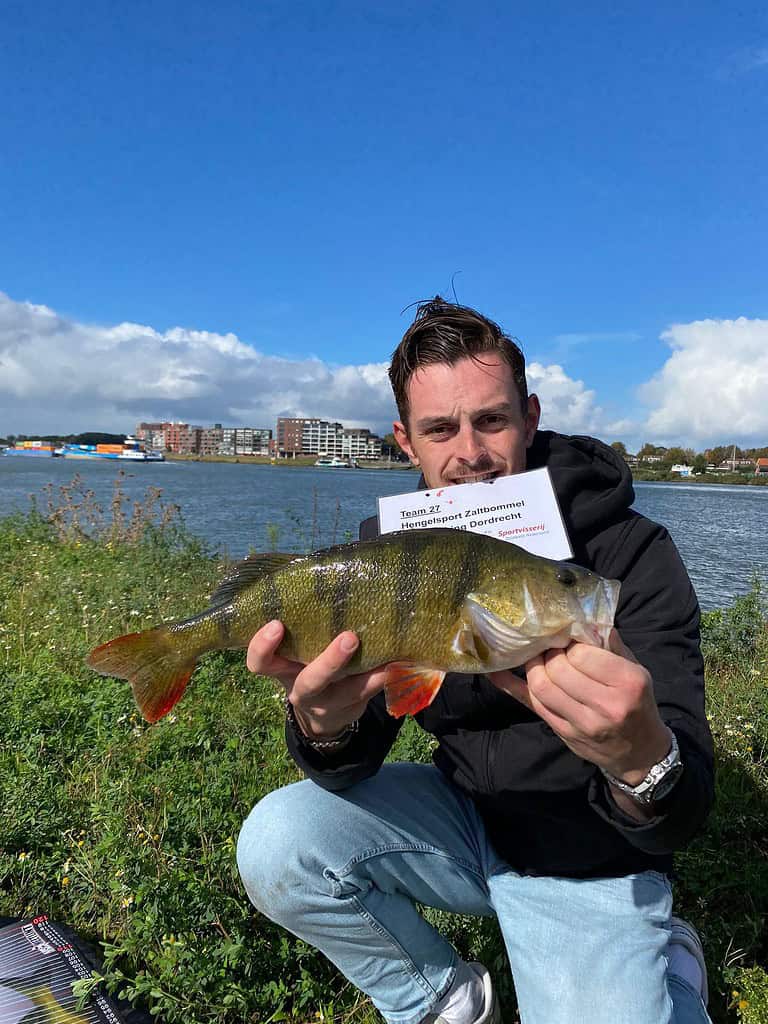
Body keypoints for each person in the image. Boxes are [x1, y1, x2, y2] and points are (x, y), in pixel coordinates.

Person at [237, 298, 715, 1024]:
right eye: (439, 428)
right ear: (406, 440)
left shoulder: (628, 556)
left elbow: (683, 807)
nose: (470, 454)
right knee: (280, 842)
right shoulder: (385, 552)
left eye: (491, 420)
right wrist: (326, 727)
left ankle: (665, 963)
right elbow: (357, 757)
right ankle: (446, 999)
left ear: (529, 415)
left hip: (588, 856)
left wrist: (640, 759)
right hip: (458, 822)